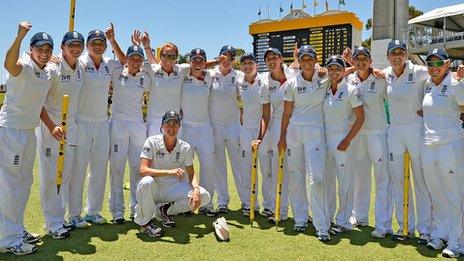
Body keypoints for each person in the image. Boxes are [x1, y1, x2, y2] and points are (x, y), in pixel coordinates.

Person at [0, 22, 57, 255]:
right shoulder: (22, 65)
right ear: (31, 49)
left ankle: (16, 229)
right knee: (10, 186)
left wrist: (52, 126)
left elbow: (39, 106)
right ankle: (7, 239)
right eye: (39, 48)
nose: (44, 53)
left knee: (24, 184)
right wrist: (20, 35)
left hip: (29, 131)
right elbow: (9, 64)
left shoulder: (47, 73)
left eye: (48, 49)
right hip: (11, 130)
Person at [68, 24, 125, 228]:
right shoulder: (79, 62)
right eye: (94, 43)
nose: (98, 46)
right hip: (82, 122)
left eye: (101, 43)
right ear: (87, 45)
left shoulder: (110, 64)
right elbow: (64, 60)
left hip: (103, 122)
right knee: (78, 170)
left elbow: (126, 62)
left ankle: (93, 211)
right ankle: (74, 214)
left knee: (99, 169)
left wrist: (113, 41)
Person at [278, 45, 330, 241]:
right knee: (295, 175)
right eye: (303, 58)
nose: (307, 62)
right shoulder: (291, 82)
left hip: (315, 131)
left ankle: (321, 225)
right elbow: (286, 113)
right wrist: (282, 137)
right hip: (293, 132)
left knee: (316, 179)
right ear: (298, 60)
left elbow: (343, 71)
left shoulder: (324, 78)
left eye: (310, 58)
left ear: (316, 59)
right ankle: (300, 218)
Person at [37, 31, 85, 239]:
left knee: (65, 175)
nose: (75, 48)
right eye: (71, 45)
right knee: (51, 177)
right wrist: (50, 126)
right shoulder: (53, 68)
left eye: (79, 45)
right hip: (52, 128)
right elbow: (37, 101)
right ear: (62, 47)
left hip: (71, 127)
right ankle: (52, 224)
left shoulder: (81, 67)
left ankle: (61, 218)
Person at [383, 40, 432, 242]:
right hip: (394, 131)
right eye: (393, 53)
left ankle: (426, 229)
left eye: (400, 53)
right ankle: (405, 227)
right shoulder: (385, 74)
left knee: (421, 181)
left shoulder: (420, 71)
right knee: (398, 181)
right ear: (388, 57)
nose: (397, 57)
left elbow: (445, 75)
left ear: (406, 54)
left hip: (416, 129)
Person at [134, 110, 211, 236]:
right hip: (154, 189)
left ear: (179, 127)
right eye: (168, 124)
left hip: (172, 189)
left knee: (204, 196)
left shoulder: (185, 147)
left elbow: (191, 174)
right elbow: (143, 170)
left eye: (175, 124)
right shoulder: (151, 141)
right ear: (162, 126)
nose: (171, 127)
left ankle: (165, 209)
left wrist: (196, 190)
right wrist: (169, 172)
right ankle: (144, 224)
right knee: (146, 182)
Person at [420, 48, 464, 258]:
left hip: (451, 145)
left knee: (454, 194)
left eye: (439, 63)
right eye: (430, 63)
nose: (434, 68)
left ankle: (459, 240)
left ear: (448, 64)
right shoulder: (427, 84)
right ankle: (441, 233)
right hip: (429, 146)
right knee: (436, 193)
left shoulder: (455, 84)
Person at [347, 47, 394, 238]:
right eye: (357, 58)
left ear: (370, 60)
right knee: (360, 178)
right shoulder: (349, 79)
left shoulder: (381, 79)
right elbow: (333, 73)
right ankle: (359, 217)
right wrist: (349, 69)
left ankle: (383, 224)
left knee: (382, 179)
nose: (360, 61)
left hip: (378, 134)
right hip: (358, 135)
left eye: (364, 58)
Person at [108, 45, 153, 224]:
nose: (135, 62)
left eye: (138, 59)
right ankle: (117, 210)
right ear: (126, 59)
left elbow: (155, 65)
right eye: (131, 58)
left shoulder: (145, 77)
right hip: (118, 123)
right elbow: (117, 60)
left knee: (136, 168)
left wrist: (146, 47)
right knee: (117, 169)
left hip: (137, 125)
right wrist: (112, 40)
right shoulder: (117, 72)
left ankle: (135, 208)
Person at [323, 56, 364, 234]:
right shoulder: (323, 87)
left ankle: (343, 220)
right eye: (330, 69)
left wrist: (347, 140)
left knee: (345, 183)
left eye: (338, 69)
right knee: (327, 182)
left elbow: (361, 118)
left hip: (342, 140)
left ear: (343, 70)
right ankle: (327, 217)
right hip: (324, 140)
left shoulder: (351, 90)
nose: (334, 72)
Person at [258, 47, 297, 222]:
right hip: (277, 129)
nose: (271, 61)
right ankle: (279, 211)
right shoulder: (265, 84)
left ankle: (303, 213)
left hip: (297, 126)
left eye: (274, 57)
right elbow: (266, 115)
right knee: (277, 171)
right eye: (268, 59)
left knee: (297, 171)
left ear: (281, 59)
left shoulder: (294, 73)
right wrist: (260, 138)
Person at [180, 48, 217, 216]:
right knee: (184, 166)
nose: (197, 63)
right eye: (194, 60)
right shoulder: (183, 74)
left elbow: (215, 66)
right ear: (189, 61)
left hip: (205, 128)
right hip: (186, 127)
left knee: (208, 166)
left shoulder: (210, 77)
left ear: (205, 62)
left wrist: (217, 61)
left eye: (201, 60)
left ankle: (206, 204)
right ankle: (185, 203)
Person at [209, 45, 244, 213]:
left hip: (233, 125)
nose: (227, 60)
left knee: (239, 165)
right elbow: (193, 67)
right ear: (219, 57)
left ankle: (246, 201)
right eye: (224, 56)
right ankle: (222, 201)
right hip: (215, 126)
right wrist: (215, 61)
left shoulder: (238, 75)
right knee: (219, 166)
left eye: (231, 57)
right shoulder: (210, 74)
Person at [238, 53, 272, 217]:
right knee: (247, 170)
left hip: (264, 130)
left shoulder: (266, 78)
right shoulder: (239, 81)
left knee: (266, 169)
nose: (247, 66)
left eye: (250, 63)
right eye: (244, 64)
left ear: (256, 65)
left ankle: (269, 205)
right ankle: (249, 203)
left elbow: (291, 69)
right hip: (246, 131)